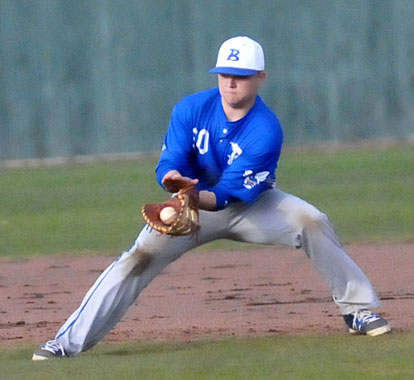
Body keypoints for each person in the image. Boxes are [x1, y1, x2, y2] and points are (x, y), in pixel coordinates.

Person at [32, 36, 391, 360]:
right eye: (224, 73)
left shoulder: (265, 129)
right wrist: (170, 179)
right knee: (135, 260)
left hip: (249, 206)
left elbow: (224, 196)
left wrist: (189, 197)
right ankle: (66, 343)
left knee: (310, 221)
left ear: (260, 78)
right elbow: (171, 159)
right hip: (188, 203)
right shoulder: (190, 109)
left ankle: (358, 309)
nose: (231, 81)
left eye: (242, 75)